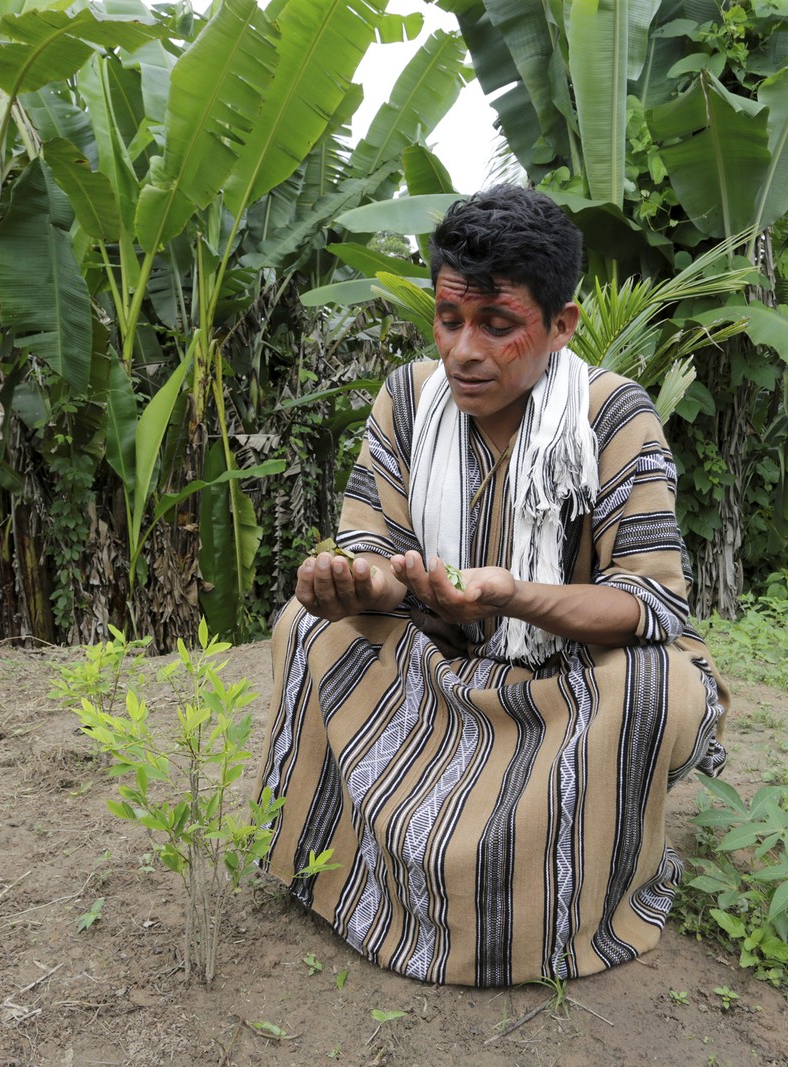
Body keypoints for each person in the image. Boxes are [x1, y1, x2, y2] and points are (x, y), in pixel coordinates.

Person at [255, 185, 729, 987]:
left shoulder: (613, 417)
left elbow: (649, 603)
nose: (464, 350)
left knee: (658, 686)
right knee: (306, 629)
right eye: (449, 320)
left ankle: (562, 911)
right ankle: (346, 868)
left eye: (497, 325)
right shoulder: (406, 401)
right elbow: (375, 546)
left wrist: (510, 595)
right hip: (443, 656)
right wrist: (353, 583)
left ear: (561, 326)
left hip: (573, 673)